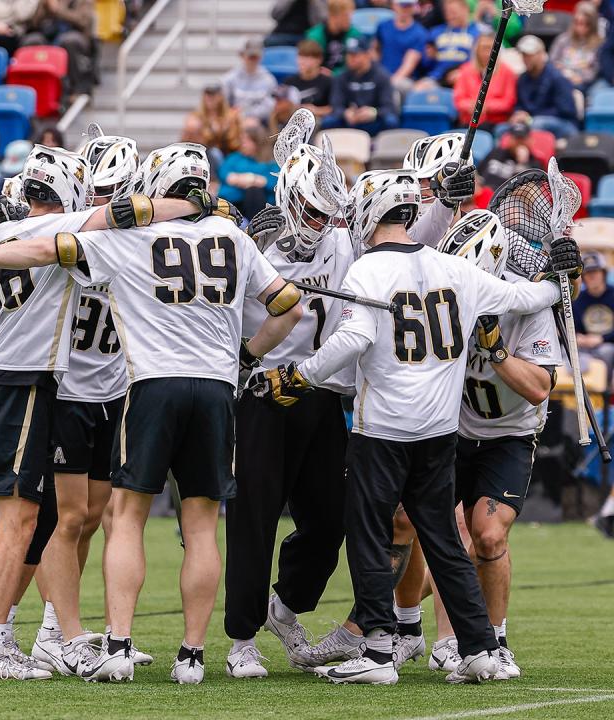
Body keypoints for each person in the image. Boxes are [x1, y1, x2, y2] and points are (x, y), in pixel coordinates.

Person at [0, 148, 302, 685]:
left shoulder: (123, 239)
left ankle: (116, 643)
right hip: (213, 389)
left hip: (142, 387)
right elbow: (289, 303)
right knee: (195, 528)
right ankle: (191, 656)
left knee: (118, 518)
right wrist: (245, 357)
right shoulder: (235, 238)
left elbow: (48, 248)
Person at [247, 169, 577, 685]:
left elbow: (353, 339)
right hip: (441, 431)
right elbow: (523, 300)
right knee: (443, 539)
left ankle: (378, 650)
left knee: (370, 534)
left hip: (384, 430)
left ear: (370, 211)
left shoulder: (367, 273)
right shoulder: (454, 267)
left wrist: (298, 376)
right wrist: (559, 281)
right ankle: (480, 648)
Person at [225, 130, 354, 679]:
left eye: (327, 214)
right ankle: (241, 640)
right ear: (288, 197)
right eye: (310, 210)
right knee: (253, 520)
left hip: (318, 391)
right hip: (261, 395)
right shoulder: (255, 242)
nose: (318, 224)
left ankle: (285, 606)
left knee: (330, 520)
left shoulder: (344, 241)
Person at [423, 209, 561, 681]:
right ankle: (414, 633)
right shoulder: (444, 298)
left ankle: (496, 639)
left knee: (487, 534)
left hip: (508, 434)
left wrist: (497, 349)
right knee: (423, 526)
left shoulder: (528, 306)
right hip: (451, 427)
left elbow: (540, 387)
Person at [27, 134, 143, 678]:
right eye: (97, 192)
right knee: (67, 516)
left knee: (95, 516)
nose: (105, 202)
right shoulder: (68, 234)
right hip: (68, 390)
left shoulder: (141, 239)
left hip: (112, 391)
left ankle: (61, 618)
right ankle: (56, 630)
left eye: (116, 193)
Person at [23, 0, 97, 97]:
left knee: (69, 41)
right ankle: (34, 89)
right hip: (49, 36)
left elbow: (83, 21)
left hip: (76, 35)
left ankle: (76, 90)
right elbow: (34, 23)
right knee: (32, 40)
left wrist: (57, 10)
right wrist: (44, 7)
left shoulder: (83, 1)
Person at [512, 35, 581, 139]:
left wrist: (530, 117)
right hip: (532, 121)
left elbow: (567, 110)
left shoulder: (557, 77)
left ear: (541, 54)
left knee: (537, 124)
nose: (526, 58)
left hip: (565, 124)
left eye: (530, 55)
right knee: (502, 129)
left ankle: (536, 155)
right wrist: (518, 114)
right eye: (523, 55)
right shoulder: (522, 79)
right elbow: (520, 104)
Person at [324, 37, 397, 134]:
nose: (351, 59)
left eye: (355, 55)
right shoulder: (341, 77)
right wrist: (346, 113)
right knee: (328, 122)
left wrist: (373, 112)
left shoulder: (381, 76)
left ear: (367, 55)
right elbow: (336, 105)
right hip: (350, 121)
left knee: (390, 121)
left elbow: (389, 107)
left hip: (374, 121)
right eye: (348, 55)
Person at [453, 33, 516, 128]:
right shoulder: (465, 70)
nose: (487, 53)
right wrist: (471, 106)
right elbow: (459, 100)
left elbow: (508, 102)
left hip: (495, 122)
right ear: (477, 50)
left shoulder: (507, 72)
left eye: (490, 48)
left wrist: (486, 106)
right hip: (468, 121)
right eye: (484, 48)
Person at [218, 123, 279, 218]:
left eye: (246, 141)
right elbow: (224, 173)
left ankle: (255, 228)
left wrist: (253, 179)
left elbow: (275, 182)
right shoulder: (235, 157)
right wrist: (246, 179)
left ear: (257, 142)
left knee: (254, 191)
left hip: (258, 205)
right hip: (232, 202)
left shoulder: (270, 162)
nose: (243, 144)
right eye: (242, 141)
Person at [423, 0, 480, 88]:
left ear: (465, 9)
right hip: (437, 78)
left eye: (454, 12)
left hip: (465, 77)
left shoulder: (477, 33)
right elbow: (425, 64)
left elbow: (481, 62)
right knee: (418, 90)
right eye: (447, 12)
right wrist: (430, 57)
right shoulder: (435, 32)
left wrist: (463, 72)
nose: (450, 16)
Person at [550, 1, 604, 91]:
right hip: (560, 79)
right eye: (577, 22)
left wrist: (581, 78)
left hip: (583, 83)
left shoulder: (599, 44)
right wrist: (562, 73)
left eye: (584, 24)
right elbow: (551, 62)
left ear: (592, 25)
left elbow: (596, 69)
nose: (580, 28)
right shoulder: (563, 39)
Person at [375, 0, 428, 91]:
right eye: (402, 5)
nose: (405, 9)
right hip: (382, 75)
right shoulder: (383, 26)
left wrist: (388, 83)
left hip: (405, 79)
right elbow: (375, 50)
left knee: (400, 85)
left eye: (409, 6)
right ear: (394, 5)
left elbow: (408, 65)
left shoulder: (419, 33)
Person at [222, 38, 278, 122]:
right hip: (233, 120)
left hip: (258, 122)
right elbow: (223, 102)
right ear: (242, 55)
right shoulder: (230, 78)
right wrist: (231, 113)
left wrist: (246, 115)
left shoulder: (269, 80)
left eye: (256, 57)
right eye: (251, 57)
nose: (253, 60)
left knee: (251, 125)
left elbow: (270, 107)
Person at [575, 252, 614, 370]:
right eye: (587, 273)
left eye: (595, 271)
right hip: (584, 347)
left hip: (609, 344)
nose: (591, 276)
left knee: (607, 351)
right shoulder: (577, 299)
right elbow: (570, 327)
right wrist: (577, 337)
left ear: (603, 273)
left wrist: (602, 338)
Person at [479, 122, 541, 190]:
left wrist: (522, 163)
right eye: (516, 139)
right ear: (510, 139)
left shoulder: (534, 164)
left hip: (508, 198)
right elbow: (478, 173)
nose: (519, 142)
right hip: (484, 193)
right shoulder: (496, 152)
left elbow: (533, 192)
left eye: (522, 139)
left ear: (530, 140)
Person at [305, 0, 362, 73]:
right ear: (334, 16)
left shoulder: (354, 34)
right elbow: (309, 65)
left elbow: (356, 65)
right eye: (346, 15)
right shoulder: (314, 36)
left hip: (345, 81)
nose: (350, 19)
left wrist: (334, 74)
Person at [189, 84, 243, 155]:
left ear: (220, 97)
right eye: (207, 94)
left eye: (213, 95)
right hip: (205, 155)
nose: (210, 98)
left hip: (229, 154)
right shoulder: (196, 117)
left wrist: (225, 127)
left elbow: (236, 142)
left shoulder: (231, 116)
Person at [286, 39, 333, 118]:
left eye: (307, 57)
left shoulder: (328, 82)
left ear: (319, 59)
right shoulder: (289, 81)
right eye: (300, 56)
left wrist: (315, 110)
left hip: (319, 121)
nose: (302, 61)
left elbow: (336, 108)